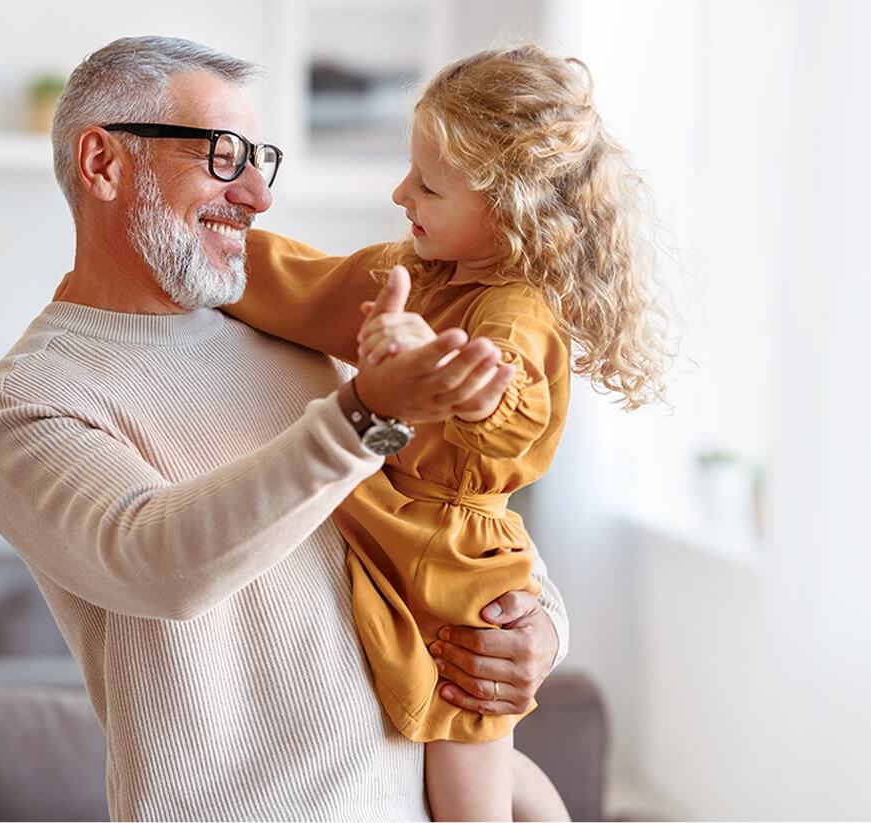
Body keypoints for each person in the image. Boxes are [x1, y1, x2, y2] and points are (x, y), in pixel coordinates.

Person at [0, 36, 570, 821]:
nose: (256, 194)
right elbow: (159, 561)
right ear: (103, 164)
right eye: (221, 156)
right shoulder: (30, 399)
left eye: (259, 159)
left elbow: (445, 509)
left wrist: (540, 626)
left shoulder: (298, 336)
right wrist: (367, 412)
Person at [224, 44, 674, 821]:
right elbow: (305, 284)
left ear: (509, 208)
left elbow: (504, 407)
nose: (401, 193)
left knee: (469, 784)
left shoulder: (514, 309)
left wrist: (432, 370)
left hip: (459, 571)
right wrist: (211, 252)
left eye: (427, 185)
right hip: (397, 522)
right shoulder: (416, 272)